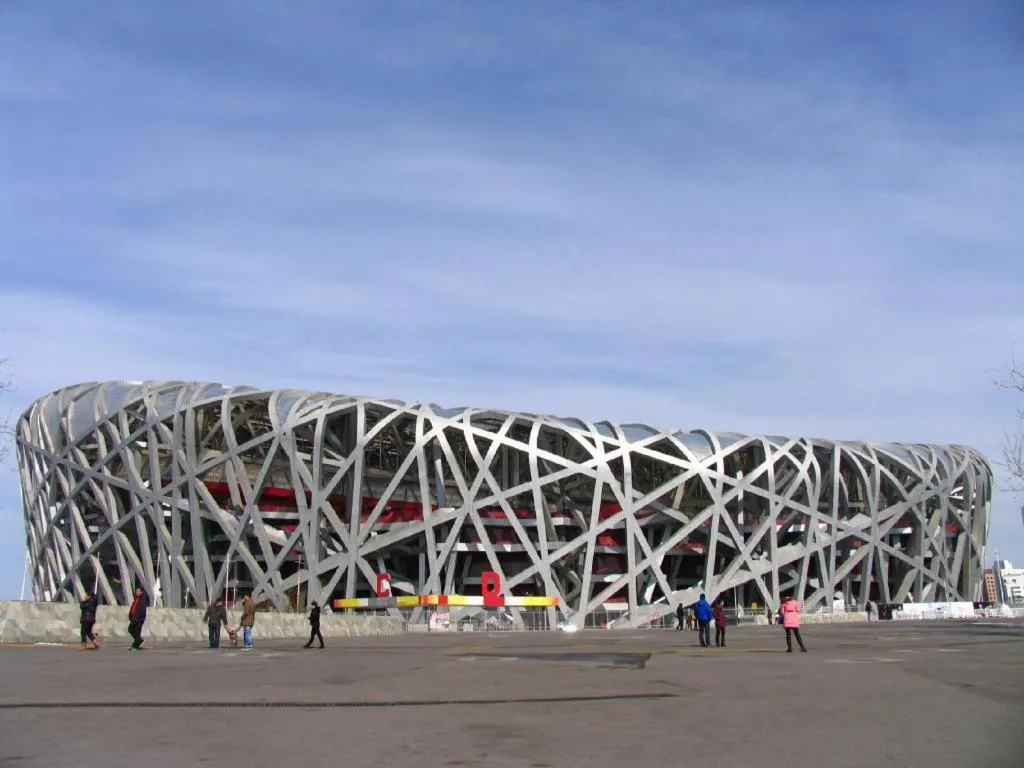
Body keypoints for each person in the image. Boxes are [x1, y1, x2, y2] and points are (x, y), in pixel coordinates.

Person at [127, 587, 148, 651]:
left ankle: (135, 646)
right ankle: (139, 641)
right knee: (130, 629)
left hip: (138, 619)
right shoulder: (137, 598)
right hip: (134, 618)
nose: (136, 592)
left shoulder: (142, 599)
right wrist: (130, 616)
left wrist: (136, 618)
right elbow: (133, 607)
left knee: (137, 632)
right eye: (136, 591)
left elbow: (141, 610)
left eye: (138, 591)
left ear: (142, 592)